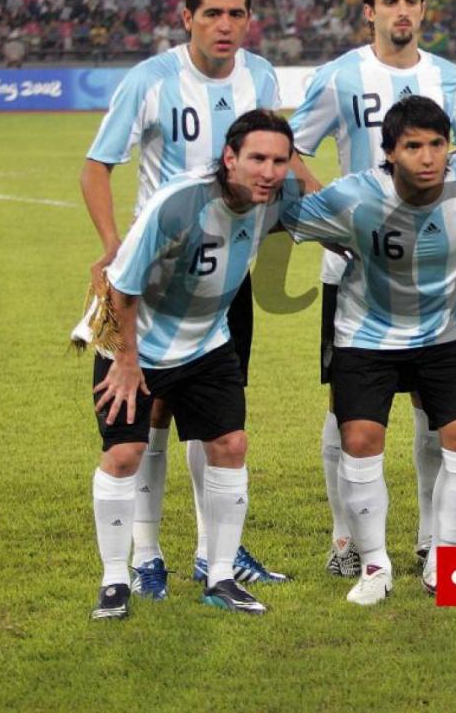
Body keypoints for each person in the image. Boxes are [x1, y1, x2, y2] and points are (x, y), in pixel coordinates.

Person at [80, 0, 287, 600]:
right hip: (153, 273)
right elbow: (97, 167)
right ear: (187, 17)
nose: (225, 25)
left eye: (237, 14)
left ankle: (211, 554)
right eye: (213, 14)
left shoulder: (262, 76)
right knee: (149, 415)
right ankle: (145, 553)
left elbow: (277, 149)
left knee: (216, 418)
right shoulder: (150, 80)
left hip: (225, 279)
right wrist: (117, 247)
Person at [289, 0, 456, 578]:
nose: (402, 11)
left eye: (412, 1)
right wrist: (336, 219)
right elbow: (292, 150)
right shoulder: (341, 75)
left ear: (425, 9)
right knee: (343, 409)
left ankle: (431, 539)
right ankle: (345, 539)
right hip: (353, 272)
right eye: (390, 1)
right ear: (367, 10)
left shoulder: (446, 76)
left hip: (435, 266)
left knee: (437, 405)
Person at [282, 96, 456, 603]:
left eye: (436, 145)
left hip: (446, 336)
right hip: (366, 337)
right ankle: (375, 566)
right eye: (412, 147)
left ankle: (445, 560)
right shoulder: (352, 197)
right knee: (359, 440)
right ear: (389, 153)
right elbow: (285, 215)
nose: (427, 157)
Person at [88, 111, 299, 620]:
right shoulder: (180, 205)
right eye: (256, 159)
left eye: (278, 160)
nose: (268, 171)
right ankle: (117, 580)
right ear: (230, 159)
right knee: (125, 454)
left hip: (207, 344)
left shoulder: (276, 201)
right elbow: (119, 283)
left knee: (230, 444)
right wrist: (128, 361)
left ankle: (220, 575)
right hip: (138, 345)